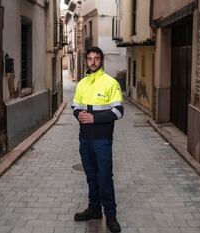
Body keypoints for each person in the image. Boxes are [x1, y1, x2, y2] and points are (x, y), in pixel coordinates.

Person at [71, 47, 124, 233]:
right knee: (91, 177)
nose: (93, 62)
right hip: (84, 139)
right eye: (90, 59)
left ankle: (111, 216)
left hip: (102, 140)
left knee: (104, 178)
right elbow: (75, 106)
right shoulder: (82, 84)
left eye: (96, 58)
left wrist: (94, 118)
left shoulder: (111, 83)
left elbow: (118, 111)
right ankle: (94, 210)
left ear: (101, 61)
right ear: (86, 61)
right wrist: (79, 114)